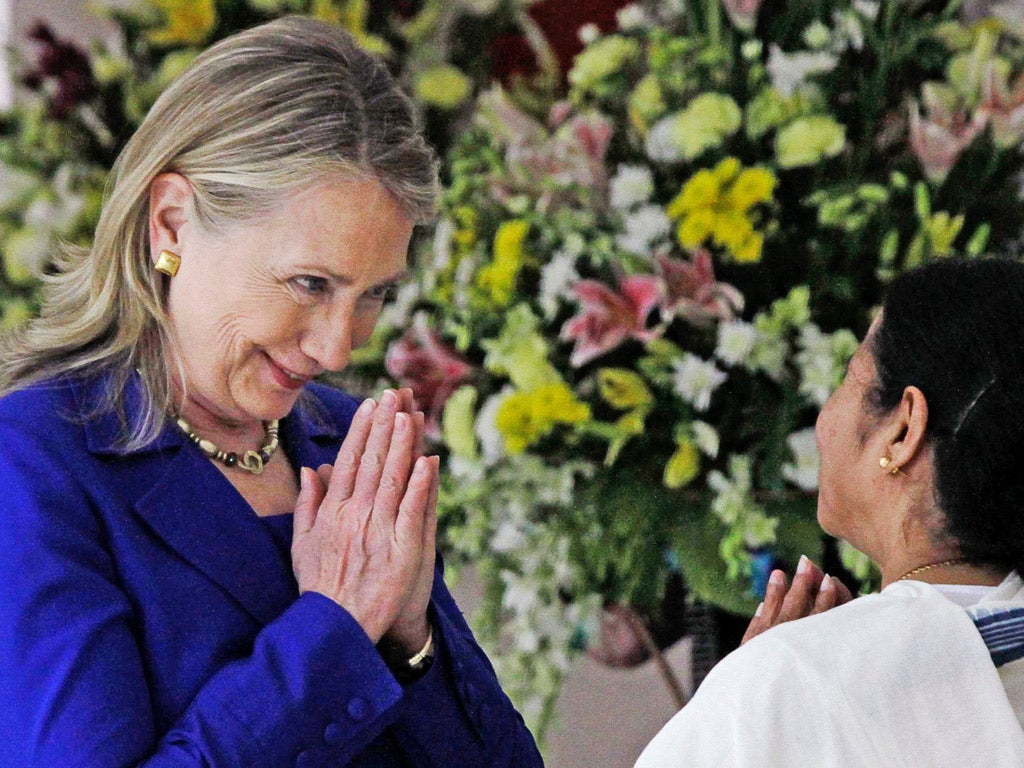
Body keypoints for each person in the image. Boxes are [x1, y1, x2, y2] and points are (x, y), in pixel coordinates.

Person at [0, 17, 543, 767]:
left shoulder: (344, 436)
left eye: (373, 295)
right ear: (172, 224)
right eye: (309, 284)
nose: (336, 346)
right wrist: (339, 626)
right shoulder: (33, 462)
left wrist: (412, 638)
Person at [635, 258, 1024, 768]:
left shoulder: (788, 681)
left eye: (849, 376)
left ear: (904, 431)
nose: (825, 416)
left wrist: (762, 693)